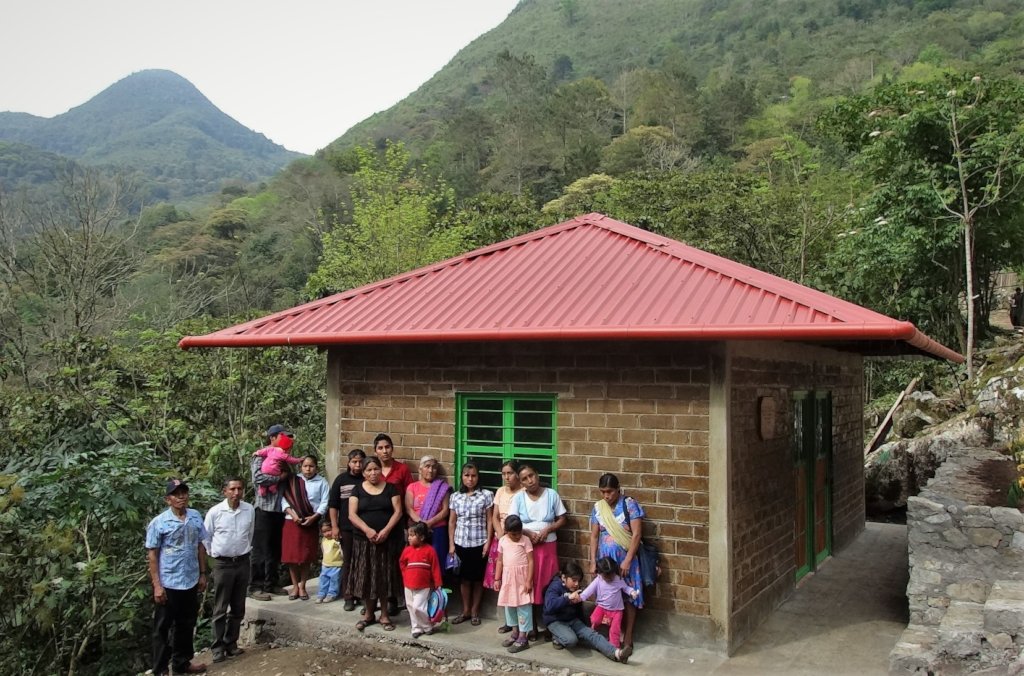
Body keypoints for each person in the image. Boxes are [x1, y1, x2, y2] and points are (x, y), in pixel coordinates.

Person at [146, 478, 209, 676]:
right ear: (168, 499)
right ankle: (161, 669)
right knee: (163, 628)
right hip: (169, 582)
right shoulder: (159, 522)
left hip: (190, 579)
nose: (181, 497)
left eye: (184, 493)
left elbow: (200, 546)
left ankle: (182, 663)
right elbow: (153, 555)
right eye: (176, 494)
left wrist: (203, 573)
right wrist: (157, 585)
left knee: (186, 623)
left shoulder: (196, 516)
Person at [589, 472, 645, 650]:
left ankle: (628, 635)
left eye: (610, 492)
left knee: (629, 597)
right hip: (606, 562)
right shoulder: (598, 508)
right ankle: (613, 633)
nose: (607, 496)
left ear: (618, 489)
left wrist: (628, 560)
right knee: (609, 597)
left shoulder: (629, 505)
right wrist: (592, 561)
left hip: (625, 561)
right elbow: (594, 536)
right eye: (603, 492)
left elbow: (636, 534)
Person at [348, 456, 404, 632]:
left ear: (381, 470)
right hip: (364, 541)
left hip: (387, 541)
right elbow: (352, 514)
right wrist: (368, 530)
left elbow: (398, 512)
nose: (373, 473)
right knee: (367, 577)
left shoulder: (391, 489)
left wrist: (386, 531)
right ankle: (369, 614)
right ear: (363, 473)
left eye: (376, 469)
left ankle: (385, 615)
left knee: (384, 577)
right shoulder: (357, 490)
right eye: (369, 470)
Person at [510, 463, 567, 636]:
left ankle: (550, 624)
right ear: (521, 483)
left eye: (531, 476)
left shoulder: (551, 495)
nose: (530, 481)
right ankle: (531, 626)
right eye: (524, 479)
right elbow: (513, 521)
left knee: (548, 584)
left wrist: (548, 529)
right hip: (527, 550)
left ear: (538, 475)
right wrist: (527, 532)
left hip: (548, 549)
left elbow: (562, 519)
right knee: (530, 584)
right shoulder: (518, 499)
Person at [203, 476, 254, 664]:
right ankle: (217, 648)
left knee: (238, 606)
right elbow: (205, 537)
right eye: (232, 489)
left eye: (239, 489)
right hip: (222, 564)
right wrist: (215, 555)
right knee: (220, 607)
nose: (236, 493)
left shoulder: (249, 509)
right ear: (225, 491)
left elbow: (250, 533)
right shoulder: (215, 512)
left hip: (242, 561)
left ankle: (231, 643)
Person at [542, 562, 631, 664]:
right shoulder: (554, 587)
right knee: (571, 640)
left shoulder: (576, 589)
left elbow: (578, 610)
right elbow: (549, 607)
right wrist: (567, 598)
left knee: (592, 635)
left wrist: (584, 628)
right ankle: (555, 636)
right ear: (563, 577)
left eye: (578, 581)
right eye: (574, 580)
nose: (576, 584)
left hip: (572, 620)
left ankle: (617, 654)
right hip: (555, 621)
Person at [249, 423, 293, 601]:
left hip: (279, 509)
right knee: (260, 548)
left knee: (275, 548)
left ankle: (271, 583)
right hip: (264, 509)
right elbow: (257, 477)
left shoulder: (284, 457)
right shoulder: (261, 454)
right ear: (272, 438)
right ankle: (256, 586)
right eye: (282, 436)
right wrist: (279, 477)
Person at [448, 462, 493, 626]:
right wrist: (451, 545)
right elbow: (452, 522)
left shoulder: (486, 495)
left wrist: (488, 542)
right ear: (462, 477)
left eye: (473, 475)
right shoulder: (455, 496)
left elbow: (489, 520)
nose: (470, 479)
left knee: (477, 579)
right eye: (467, 475)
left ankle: (475, 611)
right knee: (464, 579)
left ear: (478, 477)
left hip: (479, 542)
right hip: (460, 542)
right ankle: (465, 610)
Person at [280, 455, 329, 600]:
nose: (308, 469)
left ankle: (302, 586)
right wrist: (293, 514)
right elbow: (284, 499)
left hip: (310, 522)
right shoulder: (294, 480)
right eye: (305, 466)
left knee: (306, 556)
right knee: (292, 557)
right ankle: (295, 586)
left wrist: (314, 517)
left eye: (311, 466)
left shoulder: (322, 482)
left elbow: (324, 502)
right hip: (292, 521)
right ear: (300, 467)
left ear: (316, 467)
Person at [374, 433, 412, 615]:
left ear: (392, 448)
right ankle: (376, 599)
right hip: (376, 522)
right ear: (375, 451)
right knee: (377, 563)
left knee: (394, 562)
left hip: (397, 523)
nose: (384, 451)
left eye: (387, 447)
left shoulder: (402, 469)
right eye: (380, 448)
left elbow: (408, 496)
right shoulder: (372, 469)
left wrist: (407, 523)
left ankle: (393, 599)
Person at [487, 459, 523, 634]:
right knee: (502, 581)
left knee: (517, 582)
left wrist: (509, 535)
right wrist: (501, 533)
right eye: (504, 474)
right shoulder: (500, 491)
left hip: (516, 540)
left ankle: (521, 623)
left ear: (517, 474)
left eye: (510, 473)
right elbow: (494, 516)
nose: (506, 477)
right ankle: (509, 621)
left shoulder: (523, 492)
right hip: (501, 540)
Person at [328, 448, 365, 611]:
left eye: (360, 461)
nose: (358, 465)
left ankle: (361, 593)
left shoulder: (367, 479)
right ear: (349, 463)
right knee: (348, 561)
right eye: (354, 462)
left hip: (364, 528)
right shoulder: (341, 480)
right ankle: (348, 596)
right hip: (346, 528)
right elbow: (333, 505)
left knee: (363, 562)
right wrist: (334, 526)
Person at [493, 515, 533, 654]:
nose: (517, 536)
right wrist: (497, 578)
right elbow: (499, 561)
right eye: (513, 534)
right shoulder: (503, 541)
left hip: (522, 578)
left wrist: (528, 580)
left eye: (519, 533)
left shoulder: (525, 540)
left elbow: (531, 561)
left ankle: (523, 637)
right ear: (506, 531)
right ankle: (514, 632)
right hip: (508, 578)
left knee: (523, 606)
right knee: (509, 605)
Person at [580, 556, 640, 649]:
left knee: (615, 630)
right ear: (600, 573)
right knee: (595, 619)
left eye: (610, 576)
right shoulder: (598, 579)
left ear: (614, 572)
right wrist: (581, 597)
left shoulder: (618, 579)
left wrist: (632, 592)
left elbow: (626, 588)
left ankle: (614, 647)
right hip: (601, 607)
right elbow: (590, 589)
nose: (608, 578)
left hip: (616, 611)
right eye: (606, 576)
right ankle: (593, 635)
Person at [405, 455, 451, 570]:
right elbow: (409, 508)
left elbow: (445, 510)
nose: (430, 470)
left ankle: (436, 586)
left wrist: (429, 523)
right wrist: (421, 524)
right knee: (417, 560)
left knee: (436, 561)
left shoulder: (442, 488)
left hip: (437, 530)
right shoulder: (412, 487)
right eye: (427, 466)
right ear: (420, 469)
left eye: (434, 467)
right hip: (416, 530)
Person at [399, 521, 443, 639]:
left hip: (424, 585)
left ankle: (427, 625)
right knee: (410, 606)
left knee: (418, 607)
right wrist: (405, 574)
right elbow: (402, 563)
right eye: (409, 535)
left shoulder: (430, 551)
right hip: (408, 584)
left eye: (412, 535)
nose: (409, 538)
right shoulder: (407, 550)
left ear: (422, 537)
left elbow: (435, 568)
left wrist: (438, 583)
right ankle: (416, 628)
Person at [317, 520, 343, 603]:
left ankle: (332, 594)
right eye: (324, 532)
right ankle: (321, 594)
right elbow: (323, 550)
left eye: (329, 530)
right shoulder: (324, 540)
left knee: (334, 581)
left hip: (336, 565)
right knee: (323, 580)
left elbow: (342, 551)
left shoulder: (336, 540)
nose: (327, 533)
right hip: (325, 565)